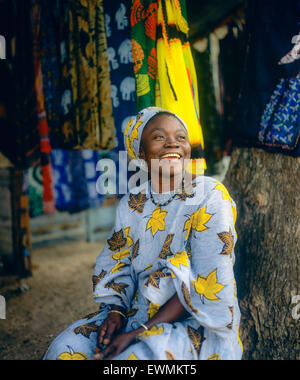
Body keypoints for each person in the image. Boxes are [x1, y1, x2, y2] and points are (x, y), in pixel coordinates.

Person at [44, 107, 243, 360]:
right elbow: (117, 266)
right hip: (134, 314)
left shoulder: (211, 196)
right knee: (63, 350)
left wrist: (139, 333)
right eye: (159, 137)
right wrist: (116, 315)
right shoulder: (131, 204)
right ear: (141, 153)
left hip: (195, 322)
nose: (173, 143)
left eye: (181, 137)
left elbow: (205, 283)